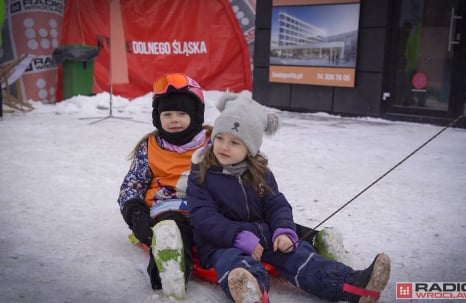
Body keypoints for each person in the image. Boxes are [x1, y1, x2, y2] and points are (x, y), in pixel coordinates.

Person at [117, 73, 343, 299]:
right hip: (169, 210)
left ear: (195, 115)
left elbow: (246, 157)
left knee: (260, 219)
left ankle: (313, 239)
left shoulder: (214, 138)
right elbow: (132, 184)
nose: (174, 119)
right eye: (167, 114)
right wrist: (136, 214)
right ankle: (171, 269)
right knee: (176, 232)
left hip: (217, 206)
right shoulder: (149, 147)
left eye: (181, 114)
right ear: (157, 117)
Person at [186, 93, 391, 303]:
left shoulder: (260, 173)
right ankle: (251, 292)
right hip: (221, 243)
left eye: (234, 142)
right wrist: (237, 236)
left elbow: (276, 205)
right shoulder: (201, 173)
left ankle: (353, 285)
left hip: (262, 236)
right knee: (233, 262)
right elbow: (203, 216)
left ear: (250, 147)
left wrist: (283, 230)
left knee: (300, 254)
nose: (224, 146)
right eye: (219, 138)